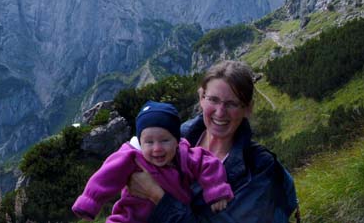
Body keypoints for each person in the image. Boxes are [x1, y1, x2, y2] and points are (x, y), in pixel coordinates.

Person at [126, 60, 299, 223]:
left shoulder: (259, 169)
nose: (220, 112)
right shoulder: (177, 137)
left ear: (247, 108)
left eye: (232, 104)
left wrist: (157, 196)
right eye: (213, 100)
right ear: (201, 97)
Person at [72, 101, 234, 223]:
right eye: (149, 142)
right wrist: (90, 202)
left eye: (164, 140)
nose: (157, 148)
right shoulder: (131, 156)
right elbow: (106, 176)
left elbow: (208, 163)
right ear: (140, 141)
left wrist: (216, 190)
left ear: (177, 140)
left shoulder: (185, 155)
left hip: (172, 215)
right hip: (131, 218)